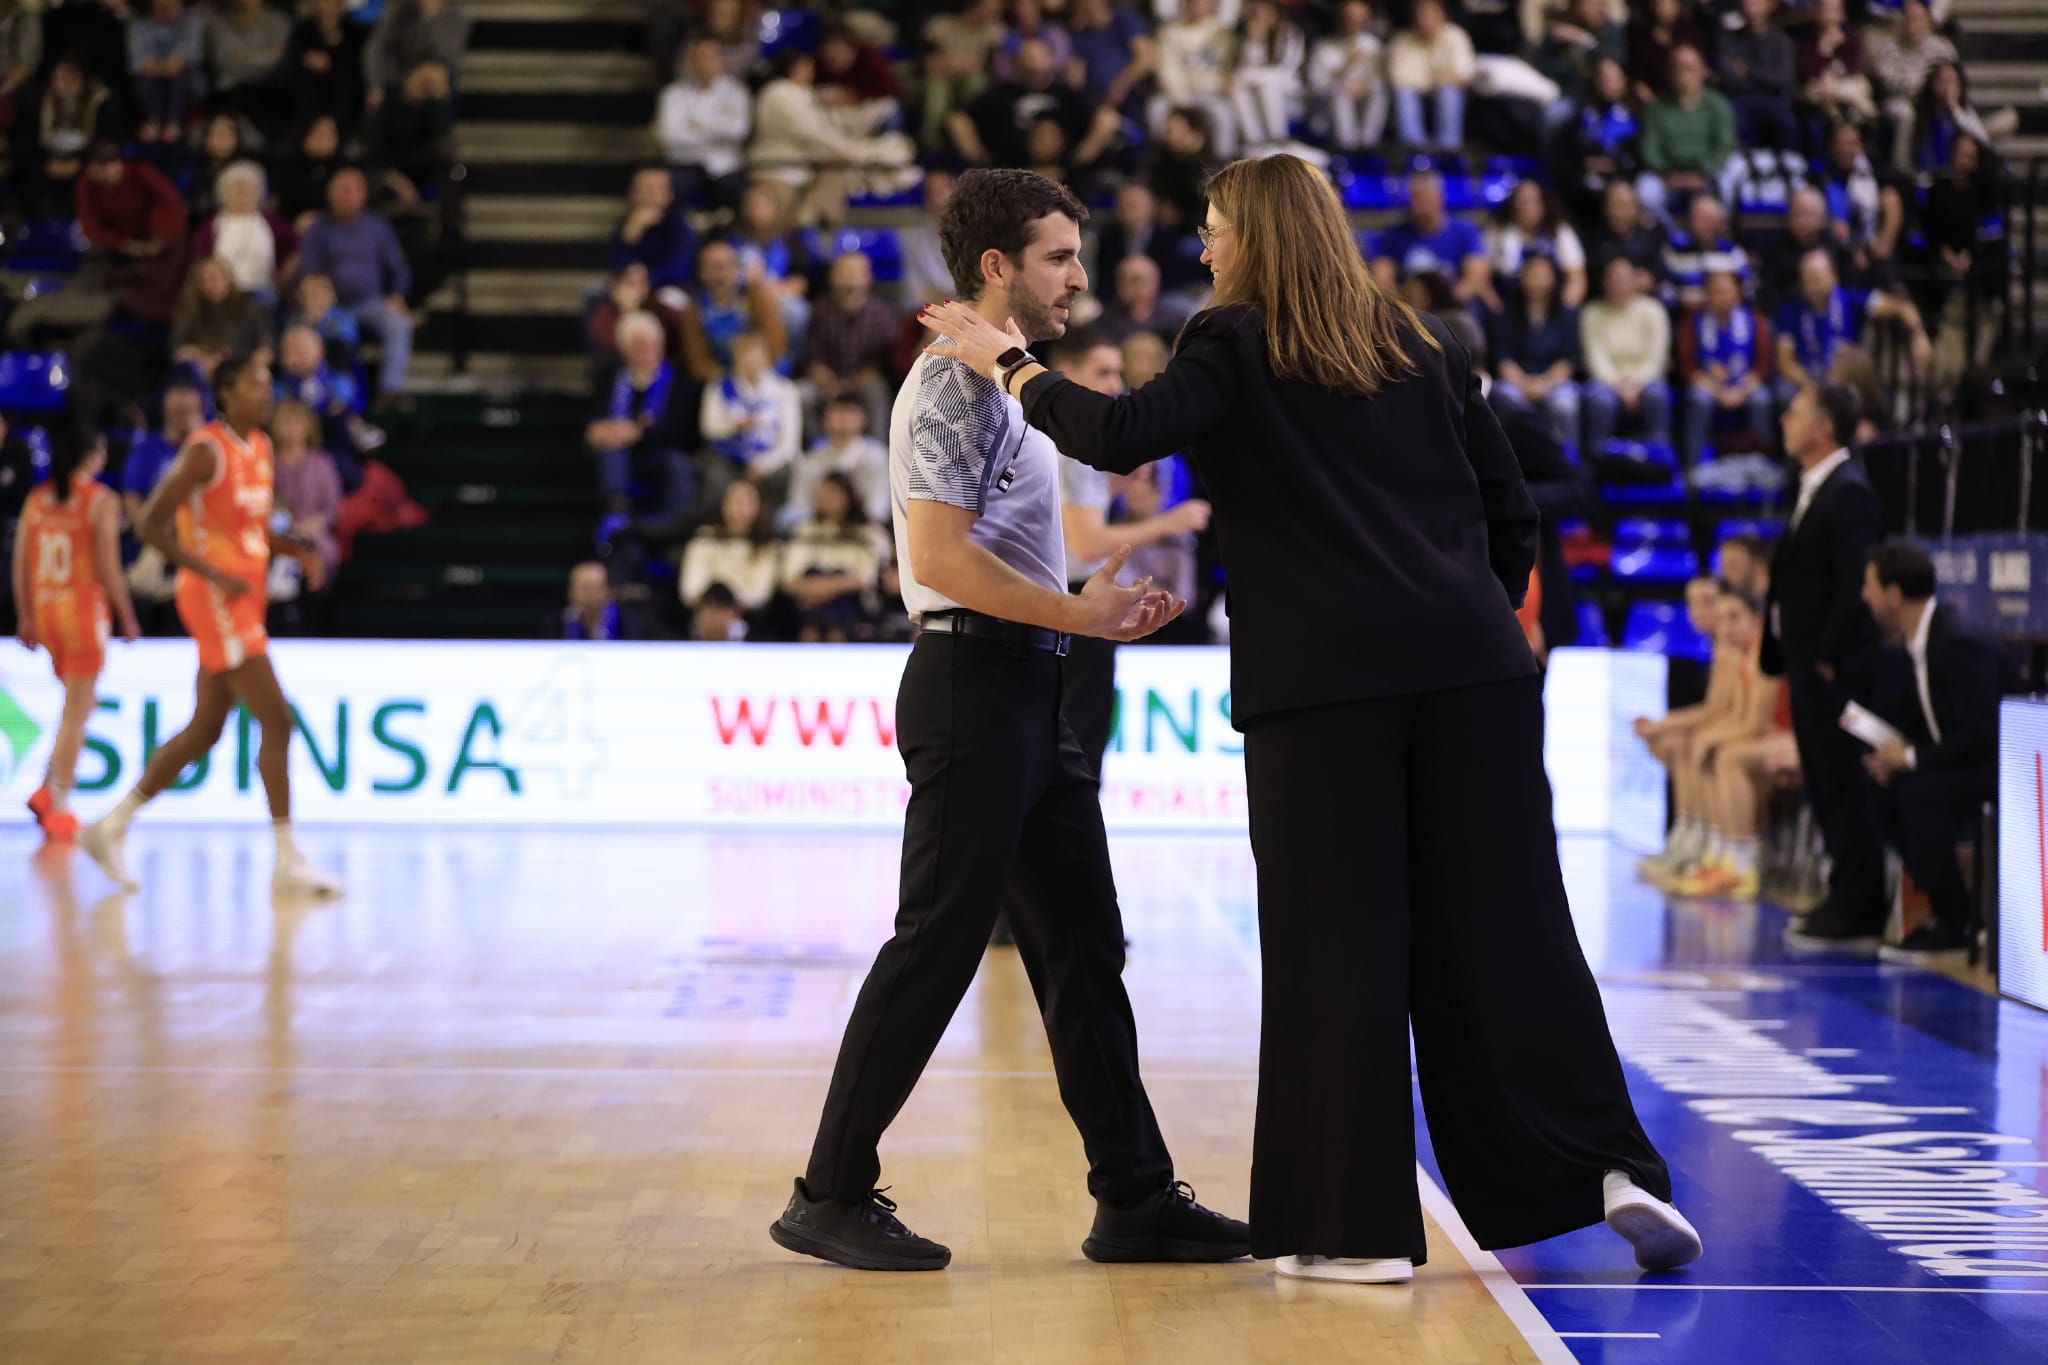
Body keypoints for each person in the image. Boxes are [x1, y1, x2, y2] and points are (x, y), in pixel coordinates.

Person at [921, 155, 1694, 1283]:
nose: (1201, 248)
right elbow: (1512, 507)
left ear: (1259, 236)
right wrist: (1467, 614)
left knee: (1337, 945)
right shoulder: (1426, 341)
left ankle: (1352, 1230)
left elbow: (1122, 432)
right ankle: (1609, 1169)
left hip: (1326, 691)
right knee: (1515, 931)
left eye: (1213, 227)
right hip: (1474, 675)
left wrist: (1009, 362)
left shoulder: (1232, 339)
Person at [770, 168, 1248, 1275]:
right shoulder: (952, 382)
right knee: (937, 941)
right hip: (970, 686)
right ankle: (827, 1192)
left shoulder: (1012, 382)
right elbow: (941, 560)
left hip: (1030, 687)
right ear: (997, 267)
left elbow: (1015, 547)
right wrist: (1076, 611)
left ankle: (1135, 1197)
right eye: (1057, 258)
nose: (1078, 276)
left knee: (1084, 948)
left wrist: (1093, 602)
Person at [78, 356, 343, 898]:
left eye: (269, 385)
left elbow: (252, 530)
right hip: (216, 599)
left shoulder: (261, 447)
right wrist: (210, 571)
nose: (267, 394)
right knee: (278, 720)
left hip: (245, 596)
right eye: (256, 385)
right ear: (226, 392)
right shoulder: (206, 450)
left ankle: (111, 825)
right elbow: (151, 525)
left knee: (206, 729)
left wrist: (293, 548)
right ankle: (287, 857)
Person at [1766, 382, 1887, 951]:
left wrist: (1826, 656)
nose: (1783, 420)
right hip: (1804, 662)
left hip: (1831, 670)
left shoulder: (1849, 491)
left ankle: (1860, 905)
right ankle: (1843, 892)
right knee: (1823, 779)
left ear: (1824, 428)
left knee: (1842, 781)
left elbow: (1855, 586)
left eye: (1794, 413)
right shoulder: (1811, 485)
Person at [1858, 542, 2011, 959]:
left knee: (1918, 792)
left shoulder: (1956, 641)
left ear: (1893, 594)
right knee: (1882, 785)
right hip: (1963, 763)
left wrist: (1910, 759)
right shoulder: (1918, 642)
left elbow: (1983, 734)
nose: (1864, 597)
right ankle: (1946, 908)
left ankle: (1955, 921)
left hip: (2004, 767)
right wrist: (1895, 757)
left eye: (1869, 587)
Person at [13, 427, 141, 844]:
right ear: (93, 455)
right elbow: (108, 566)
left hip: (46, 609)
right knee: (77, 711)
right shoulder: (100, 500)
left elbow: (21, 561)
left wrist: (25, 614)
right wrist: (127, 615)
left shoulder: (38, 499)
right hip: (82, 613)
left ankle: (45, 787)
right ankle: (59, 803)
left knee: (80, 706)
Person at [1661, 587, 1781, 899]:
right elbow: (1734, 715)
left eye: (1734, 618)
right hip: (1770, 736)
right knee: (1702, 746)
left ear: (1757, 620)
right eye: (1722, 619)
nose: (1725, 627)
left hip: (1785, 737)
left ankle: (1739, 862)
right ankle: (1712, 851)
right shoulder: (1741, 655)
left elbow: (1756, 724)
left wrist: (1708, 737)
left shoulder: (1761, 656)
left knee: (1725, 756)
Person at [1580, 254, 1673, 454]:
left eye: (1625, 279)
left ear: (1635, 281)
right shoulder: (1592, 312)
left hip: (1646, 380)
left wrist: (1636, 384)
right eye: (1614, 279)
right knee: (1600, 399)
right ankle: (1598, 459)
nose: (1620, 284)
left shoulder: (1654, 310)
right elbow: (1595, 356)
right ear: (1605, 283)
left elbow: (1656, 357)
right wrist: (1618, 385)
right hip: (1606, 381)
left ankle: (1659, 458)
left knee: (1657, 395)